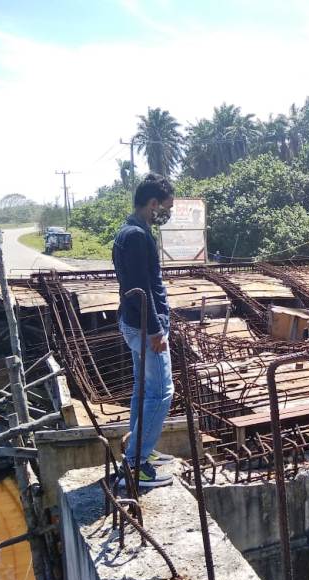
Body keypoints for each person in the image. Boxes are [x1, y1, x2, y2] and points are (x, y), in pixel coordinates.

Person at [113, 173, 176, 488]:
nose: (165, 213)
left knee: (144, 390)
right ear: (152, 204)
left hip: (133, 323)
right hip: (145, 327)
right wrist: (155, 331)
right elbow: (141, 289)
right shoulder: (137, 236)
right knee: (163, 392)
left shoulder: (127, 232)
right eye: (165, 207)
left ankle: (140, 450)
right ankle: (136, 463)